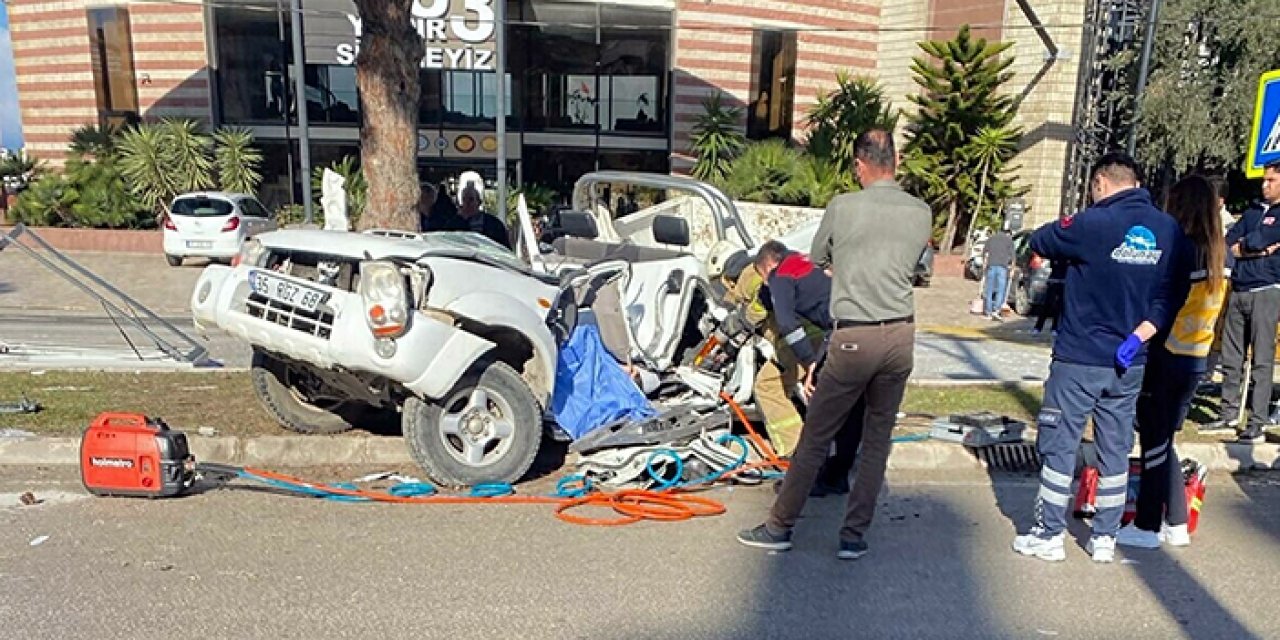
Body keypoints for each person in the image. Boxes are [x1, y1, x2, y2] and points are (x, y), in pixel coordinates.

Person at [736, 129, 932, 560]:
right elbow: (919, 265)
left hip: (853, 337)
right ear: (896, 161)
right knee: (876, 440)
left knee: (815, 436)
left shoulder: (843, 207)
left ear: (860, 165)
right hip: (901, 336)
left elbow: (820, 259)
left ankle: (779, 527)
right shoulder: (921, 212)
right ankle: (853, 537)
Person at [1012, 152, 1190, 564]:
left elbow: (1040, 240)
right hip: (1131, 359)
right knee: (1115, 447)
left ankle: (1048, 534)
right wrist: (1142, 333)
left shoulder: (1091, 223)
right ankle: (1105, 537)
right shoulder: (1168, 229)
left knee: (1060, 443)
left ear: (1100, 183)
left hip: (1079, 357)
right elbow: (1174, 292)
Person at [1115, 175, 1225, 550]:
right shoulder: (1219, 255)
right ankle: (1176, 519)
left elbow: (1161, 303)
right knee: (1163, 440)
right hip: (1196, 356)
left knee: (1154, 442)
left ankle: (1149, 524)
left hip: (1166, 354)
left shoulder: (1180, 251)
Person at [1201, 160, 1280, 442]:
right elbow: (1227, 245)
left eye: (1271, 180)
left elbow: (1258, 240)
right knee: (1232, 356)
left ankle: (1257, 421)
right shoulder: (1252, 211)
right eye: (1264, 180)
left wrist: (1251, 247)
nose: (1264, 185)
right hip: (1239, 287)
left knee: (1261, 359)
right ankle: (1228, 412)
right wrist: (1256, 249)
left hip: (1266, 289)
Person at [982, 225, 1015, 321]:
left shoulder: (991, 239)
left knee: (989, 289)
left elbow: (985, 253)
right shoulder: (1009, 240)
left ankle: (988, 312)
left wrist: (984, 264)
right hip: (1002, 267)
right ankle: (996, 310)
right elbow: (1013, 256)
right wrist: (1012, 269)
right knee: (1000, 290)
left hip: (991, 265)